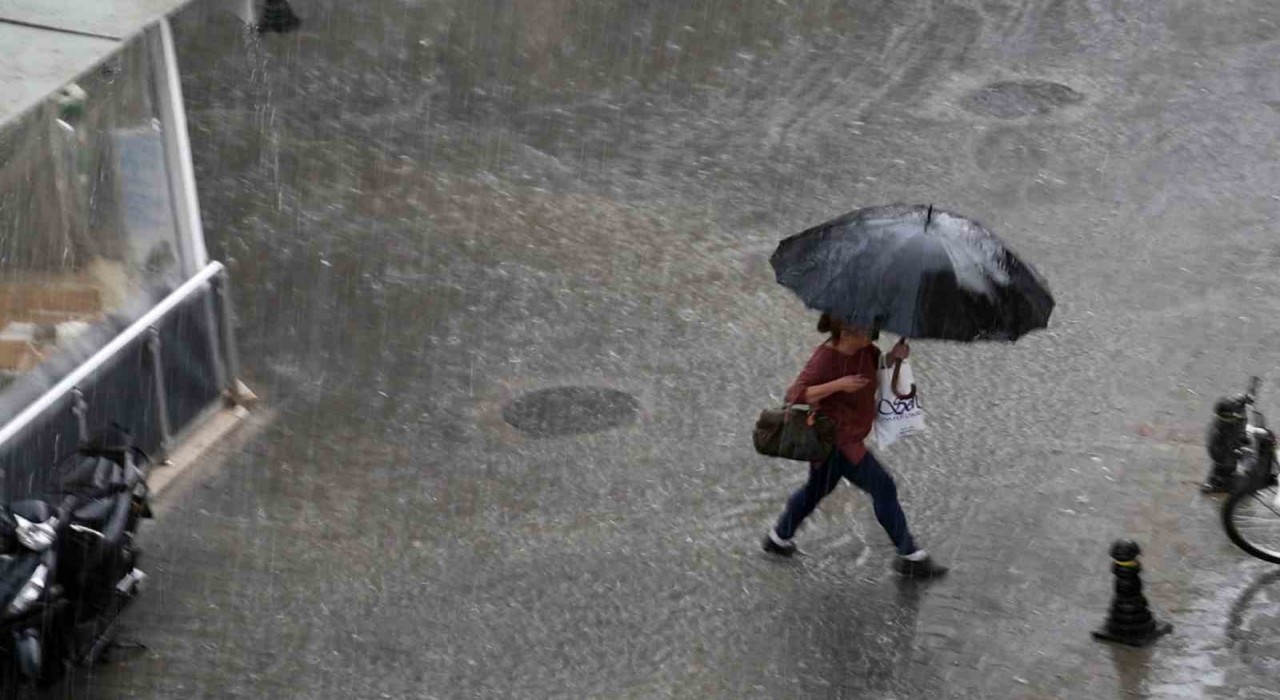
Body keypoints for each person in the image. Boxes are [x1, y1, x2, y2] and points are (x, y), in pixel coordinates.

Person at [762, 312, 948, 578]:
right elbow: (794, 395)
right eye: (869, 328)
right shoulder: (825, 359)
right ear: (847, 329)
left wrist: (893, 357)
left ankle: (778, 538)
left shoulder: (867, 351)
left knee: (816, 490)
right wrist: (838, 385)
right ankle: (909, 555)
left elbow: (875, 369)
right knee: (883, 486)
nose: (874, 332)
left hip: (847, 437)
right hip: (838, 442)